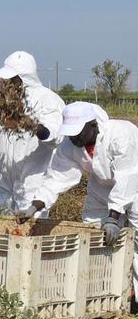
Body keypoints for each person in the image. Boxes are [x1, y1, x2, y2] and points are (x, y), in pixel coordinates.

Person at [24, 102, 138, 293]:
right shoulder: (69, 145)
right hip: (101, 188)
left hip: (135, 187)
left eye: (78, 132)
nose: (74, 137)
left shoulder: (121, 134)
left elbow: (128, 178)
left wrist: (114, 217)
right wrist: (36, 205)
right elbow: (58, 176)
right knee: (95, 235)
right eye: (70, 132)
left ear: (93, 125)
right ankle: (104, 291)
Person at [0, 51, 63, 217]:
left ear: (24, 77)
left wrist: (31, 125)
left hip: (32, 183)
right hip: (3, 181)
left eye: (12, 79)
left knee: (29, 231)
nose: (6, 82)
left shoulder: (48, 100)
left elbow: (56, 137)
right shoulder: (5, 101)